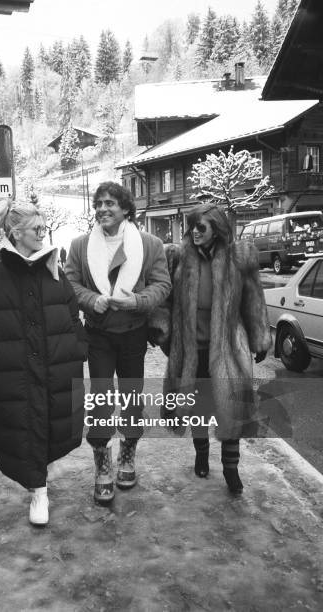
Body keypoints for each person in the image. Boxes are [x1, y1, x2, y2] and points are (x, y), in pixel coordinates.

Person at [0, 200, 87, 525]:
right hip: (12, 371)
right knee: (22, 425)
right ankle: (38, 491)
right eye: (37, 228)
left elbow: (72, 316)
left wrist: (78, 348)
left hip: (55, 366)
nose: (43, 233)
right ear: (16, 233)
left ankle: (39, 484)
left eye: (44, 227)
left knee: (48, 424)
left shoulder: (55, 275)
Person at [65, 181, 171, 503]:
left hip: (133, 333)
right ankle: (102, 465)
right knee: (100, 399)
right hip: (98, 334)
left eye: (110, 203)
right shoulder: (80, 245)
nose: (102, 209)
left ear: (126, 208)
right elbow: (70, 283)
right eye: (98, 204)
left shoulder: (150, 244)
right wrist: (90, 299)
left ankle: (127, 455)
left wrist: (138, 302)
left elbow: (162, 284)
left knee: (131, 398)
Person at [161, 203, 271, 494]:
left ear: (217, 229)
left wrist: (259, 337)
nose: (194, 232)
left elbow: (253, 300)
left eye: (201, 226)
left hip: (227, 349)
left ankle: (231, 469)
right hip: (191, 348)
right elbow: (165, 301)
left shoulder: (238, 258)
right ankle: (201, 453)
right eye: (192, 225)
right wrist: (163, 333)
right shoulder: (178, 258)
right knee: (199, 407)